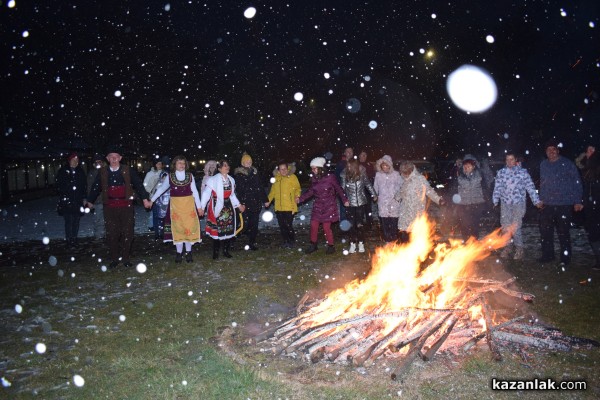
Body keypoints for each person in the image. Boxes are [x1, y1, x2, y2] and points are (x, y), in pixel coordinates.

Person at [86, 146, 152, 269]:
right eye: (111, 156)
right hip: (109, 207)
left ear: (120, 158)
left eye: (116, 156)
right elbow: (96, 187)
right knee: (112, 233)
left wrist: (144, 199)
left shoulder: (128, 170)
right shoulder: (103, 172)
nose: (114, 159)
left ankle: (126, 258)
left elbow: (138, 184)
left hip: (126, 206)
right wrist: (90, 200)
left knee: (128, 233)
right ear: (107, 159)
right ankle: (114, 259)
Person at [149, 155, 202, 263]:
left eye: (183, 163)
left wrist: (199, 207)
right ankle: (179, 253)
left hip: (189, 206)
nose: (181, 165)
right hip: (176, 207)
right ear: (175, 165)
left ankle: (188, 252)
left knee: (188, 229)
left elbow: (195, 192)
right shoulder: (170, 176)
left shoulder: (190, 176)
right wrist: (152, 200)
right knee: (178, 229)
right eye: (179, 163)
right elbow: (162, 189)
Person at [538, 140, 583, 265]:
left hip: (564, 203)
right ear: (546, 152)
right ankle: (548, 255)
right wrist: (540, 199)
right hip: (547, 204)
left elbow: (577, 182)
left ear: (558, 150)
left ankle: (565, 258)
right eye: (548, 150)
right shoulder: (543, 165)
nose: (551, 152)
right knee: (545, 232)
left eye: (553, 149)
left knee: (563, 232)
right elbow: (543, 183)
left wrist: (577, 201)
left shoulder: (567, 164)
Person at [492, 152, 542, 260]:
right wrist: (495, 200)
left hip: (518, 203)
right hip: (505, 203)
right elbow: (497, 187)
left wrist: (536, 200)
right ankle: (508, 247)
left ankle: (519, 249)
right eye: (507, 160)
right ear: (505, 161)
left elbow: (530, 187)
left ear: (516, 160)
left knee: (515, 226)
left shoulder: (523, 173)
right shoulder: (501, 173)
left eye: (512, 159)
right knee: (505, 226)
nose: (509, 162)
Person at [297, 157, 349, 254]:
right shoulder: (314, 178)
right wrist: (300, 199)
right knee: (313, 225)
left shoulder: (330, 177)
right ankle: (313, 244)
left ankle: (331, 246)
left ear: (321, 168)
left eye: (314, 168)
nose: (312, 171)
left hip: (329, 206)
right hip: (318, 205)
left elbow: (338, 188)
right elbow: (311, 191)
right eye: (312, 168)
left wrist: (345, 199)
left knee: (326, 227)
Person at [198, 160, 246, 259]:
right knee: (217, 230)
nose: (227, 167)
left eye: (228, 165)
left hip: (228, 207)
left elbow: (232, 195)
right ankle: (215, 253)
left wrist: (239, 205)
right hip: (217, 206)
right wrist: (202, 207)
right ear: (219, 168)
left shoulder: (231, 180)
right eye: (224, 166)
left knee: (228, 229)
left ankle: (225, 251)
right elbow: (206, 194)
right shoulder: (212, 180)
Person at [395, 161, 444, 243]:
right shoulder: (403, 179)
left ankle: (417, 251)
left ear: (411, 170)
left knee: (416, 232)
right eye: (404, 173)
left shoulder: (420, 179)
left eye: (407, 172)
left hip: (417, 209)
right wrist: (396, 197)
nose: (405, 174)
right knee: (404, 232)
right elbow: (400, 192)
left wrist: (438, 199)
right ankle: (405, 250)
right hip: (405, 211)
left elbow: (429, 191)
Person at [341, 159, 377, 253]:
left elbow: (368, 184)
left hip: (361, 203)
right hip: (350, 204)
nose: (348, 168)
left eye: (350, 166)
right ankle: (352, 243)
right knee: (351, 225)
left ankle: (361, 243)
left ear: (355, 166)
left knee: (360, 224)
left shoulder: (361, 175)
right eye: (347, 166)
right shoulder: (345, 175)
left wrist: (374, 194)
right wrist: (345, 200)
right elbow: (342, 189)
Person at [234, 153, 268, 250]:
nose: (248, 163)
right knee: (244, 225)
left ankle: (251, 243)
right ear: (242, 163)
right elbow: (240, 191)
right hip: (245, 204)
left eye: (249, 162)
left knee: (254, 225)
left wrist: (265, 200)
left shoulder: (255, 173)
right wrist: (242, 203)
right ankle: (232, 238)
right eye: (246, 162)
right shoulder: (240, 175)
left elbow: (260, 187)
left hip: (256, 203)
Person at [265, 161, 301, 248]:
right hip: (279, 207)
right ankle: (285, 241)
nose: (283, 171)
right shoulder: (276, 179)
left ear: (287, 168)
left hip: (289, 206)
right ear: (278, 170)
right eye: (281, 169)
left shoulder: (292, 177)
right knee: (282, 226)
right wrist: (268, 201)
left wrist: (297, 196)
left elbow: (297, 188)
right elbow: (272, 192)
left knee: (288, 225)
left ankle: (291, 241)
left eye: (285, 169)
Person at [56, 152, 88, 248]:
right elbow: (59, 186)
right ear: (70, 160)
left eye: (77, 160)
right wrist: (66, 194)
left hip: (77, 201)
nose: (76, 162)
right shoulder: (63, 171)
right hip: (67, 201)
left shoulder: (80, 171)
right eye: (74, 160)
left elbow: (83, 186)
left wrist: (84, 198)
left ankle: (74, 238)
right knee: (69, 221)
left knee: (76, 221)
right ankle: (69, 240)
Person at [577, 145, 600, 270]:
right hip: (589, 203)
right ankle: (598, 259)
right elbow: (578, 163)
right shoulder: (585, 167)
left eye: (593, 150)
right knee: (592, 231)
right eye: (588, 150)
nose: (590, 152)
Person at [455, 154, 485, 240]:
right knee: (464, 226)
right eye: (465, 165)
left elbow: (486, 180)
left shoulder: (479, 174)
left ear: (473, 166)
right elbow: (453, 188)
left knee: (474, 226)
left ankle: (474, 244)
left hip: (477, 204)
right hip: (463, 205)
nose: (466, 167)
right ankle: (467, 243)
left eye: (469, 165)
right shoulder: (460, 175)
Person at [373, 155, 403, 243]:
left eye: (386, 165)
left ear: (390, 165)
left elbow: (401, 186)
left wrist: (398, 197)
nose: (385, 167)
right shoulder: (378, 175)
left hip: (394, 202)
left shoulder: (396, 175)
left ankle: (394, 240)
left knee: (393, 223)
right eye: (383, 165)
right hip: (383, 203)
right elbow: (375, 187)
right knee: (384, 223)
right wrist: (375, 195)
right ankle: (387, 241)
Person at [86, 153, 106, 239]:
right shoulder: (92, 173)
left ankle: (106, 235)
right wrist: (90, 200)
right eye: (97, 162)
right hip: (98, 200)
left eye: (100, 161)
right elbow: (90, 187)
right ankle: (99, 236)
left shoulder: (107, 170)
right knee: (98, 220)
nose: (98, 163)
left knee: (108, 219)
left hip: (107, 200)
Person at [143, 158, 165, 234]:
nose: (160, 165)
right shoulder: (150, 173)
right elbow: (145, 184)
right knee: (154, 211)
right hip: (153, 195)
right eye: (158, 163)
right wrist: (150, 191)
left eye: (161, 164)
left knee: (162, 211)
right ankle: (151, 226)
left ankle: (161, 226)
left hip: (163, 195)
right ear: (155, 165)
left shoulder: (164, 173)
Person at [199, 160, 217, 236]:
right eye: (210, 166)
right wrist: (203, 201)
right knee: (208, 214)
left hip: (216, 199)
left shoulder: (218, 177)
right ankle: (208, 229)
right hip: (209, 199)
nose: (212, 168)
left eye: (213, 166)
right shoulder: (205, 178)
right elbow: (203, 190)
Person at [358, 150, 376, 229]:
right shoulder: (356, 164)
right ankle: (360, 224)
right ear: (359, 156)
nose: (363, 157)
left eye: (365, 155)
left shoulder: (369, 165)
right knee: (360, 207)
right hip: (359, 189)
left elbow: (372, 175)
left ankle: (369, 224)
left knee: (368, 207)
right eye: (362, 155)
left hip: (367, 189)